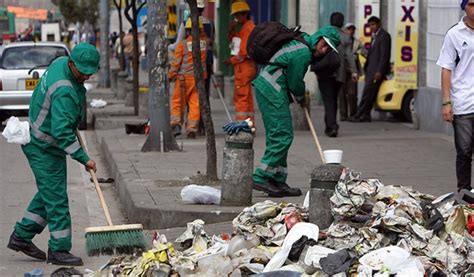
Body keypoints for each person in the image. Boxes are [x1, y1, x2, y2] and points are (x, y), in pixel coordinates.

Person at [7, 43, 100, 266]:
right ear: (71, 63)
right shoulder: (65, 90)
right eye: (82, 70)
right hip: (44, 146)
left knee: (49, 193)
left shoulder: (60, 64)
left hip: (42, 140)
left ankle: (21, 236)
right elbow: (61, 134)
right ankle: (59, 250)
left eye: (90, 71)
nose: (86, 75)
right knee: (57, 200)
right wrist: (84, 158)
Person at [252, 25, 340, 197]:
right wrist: (301, 97)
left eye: (328, 49)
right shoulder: (303, 53)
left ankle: (277, 178)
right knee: (282, 135)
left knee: (278, 134)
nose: (324, 50)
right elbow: (295, 82)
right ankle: (262, 176)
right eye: (324, 44)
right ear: (319, 37)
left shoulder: (303, 43)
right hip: (272, 89)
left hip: (270, 87)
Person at [436, 0, 474, 192]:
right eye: (472, 4)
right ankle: (464, 194)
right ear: (464, 7)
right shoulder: (454, 34)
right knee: (465, 151)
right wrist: (446, 102)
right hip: (463, 102)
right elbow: (446, 68)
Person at [312, 12, 357, 138]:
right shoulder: (346, 37)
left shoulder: (323, 34)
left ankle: (331, 127)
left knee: (328, 100)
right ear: (342, 22)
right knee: (333, 100)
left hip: (324, 74)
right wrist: (354, 71)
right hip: (339, 74)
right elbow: (349, 56)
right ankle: (331, 126)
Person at [169, 18, 207, 139]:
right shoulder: (204, 45)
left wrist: (170, 75)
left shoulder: (182, 45)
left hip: (182, 80)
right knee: (195, 105)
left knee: (177, 103)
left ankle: (176, 125)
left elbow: (176, 63)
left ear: (188, 31)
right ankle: (191, 129)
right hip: (197, 80)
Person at [349, 16, 391, 122]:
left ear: (379, 24)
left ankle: (359, 114)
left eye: (373, 24)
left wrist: (379, 71)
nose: (371, 27)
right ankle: (366, 115)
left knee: (367, 93)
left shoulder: (384, 36)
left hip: (376, 71)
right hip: (370, 69)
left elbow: (384, 56)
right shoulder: (374, 36)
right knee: (369, 93)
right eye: (370, 25)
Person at [224, 1, 257, 123]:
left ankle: (242, 124)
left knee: (242, 97)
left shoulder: (248, 29)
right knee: (246, 97)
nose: (235, 18)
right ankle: (249, 124)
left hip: (244, 68)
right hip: (245, 68)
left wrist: (230, 61)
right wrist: (231, 31)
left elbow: (242, 53)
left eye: (237, 16)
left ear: (244, 15)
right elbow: (235, 43)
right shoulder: (245, 29)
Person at [340, 22, 364, 121]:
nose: (351, 31)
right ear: (345, 30)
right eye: (349, 29)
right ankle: (343, 114)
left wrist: (360, 52)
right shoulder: (340, 41)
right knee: (341, 93)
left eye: (353, 29)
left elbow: (364, 51)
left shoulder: (357, 42)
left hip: (352, 71)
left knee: (352, 93)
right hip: (341, 70)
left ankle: (353, 113)